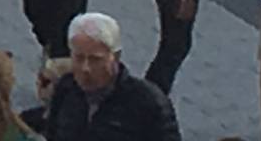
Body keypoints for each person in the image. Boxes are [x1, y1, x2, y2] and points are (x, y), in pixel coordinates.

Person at [44, 13, 181, 141]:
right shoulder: (66, 89)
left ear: (115, 57)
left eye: (95, 60)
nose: (85, 68)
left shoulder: (149, 103)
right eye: (79, 58)